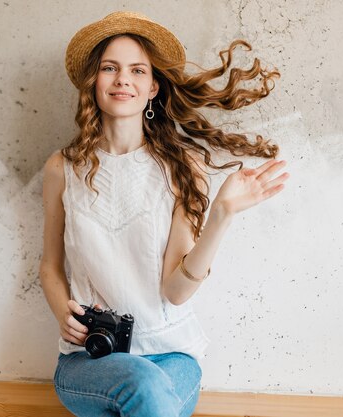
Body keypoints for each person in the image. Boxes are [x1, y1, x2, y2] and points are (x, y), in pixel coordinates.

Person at [39, 11, 289, 417]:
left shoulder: (181, 169)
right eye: (110, 68)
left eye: (137, 70)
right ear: (94, 82)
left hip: (170, 356)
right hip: (90, 360)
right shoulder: (61, 169)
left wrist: (222, 214)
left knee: (150, 388)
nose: (123, 79)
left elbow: (175, 291)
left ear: (153, 86)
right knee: (144, 387)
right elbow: (49, 265)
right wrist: (60, 310)